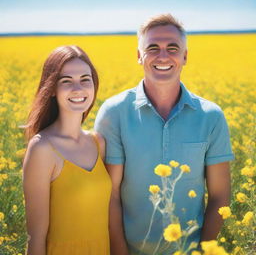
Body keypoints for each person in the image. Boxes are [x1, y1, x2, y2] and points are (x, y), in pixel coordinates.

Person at [94, 14, 234, 255]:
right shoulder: (114, 112)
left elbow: (220, 195)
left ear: (185, 56)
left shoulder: (211, 116)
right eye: (152, 48)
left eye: (172, 48)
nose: (163, 56)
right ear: (139, 56)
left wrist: (202, 251)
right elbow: (110, 194)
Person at [23, 45, 111, 255]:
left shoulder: (98, 143)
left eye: (85, 79)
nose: (78, 88)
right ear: (52, 88)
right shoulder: (42, 148)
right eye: (66, 81)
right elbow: (35, 238)